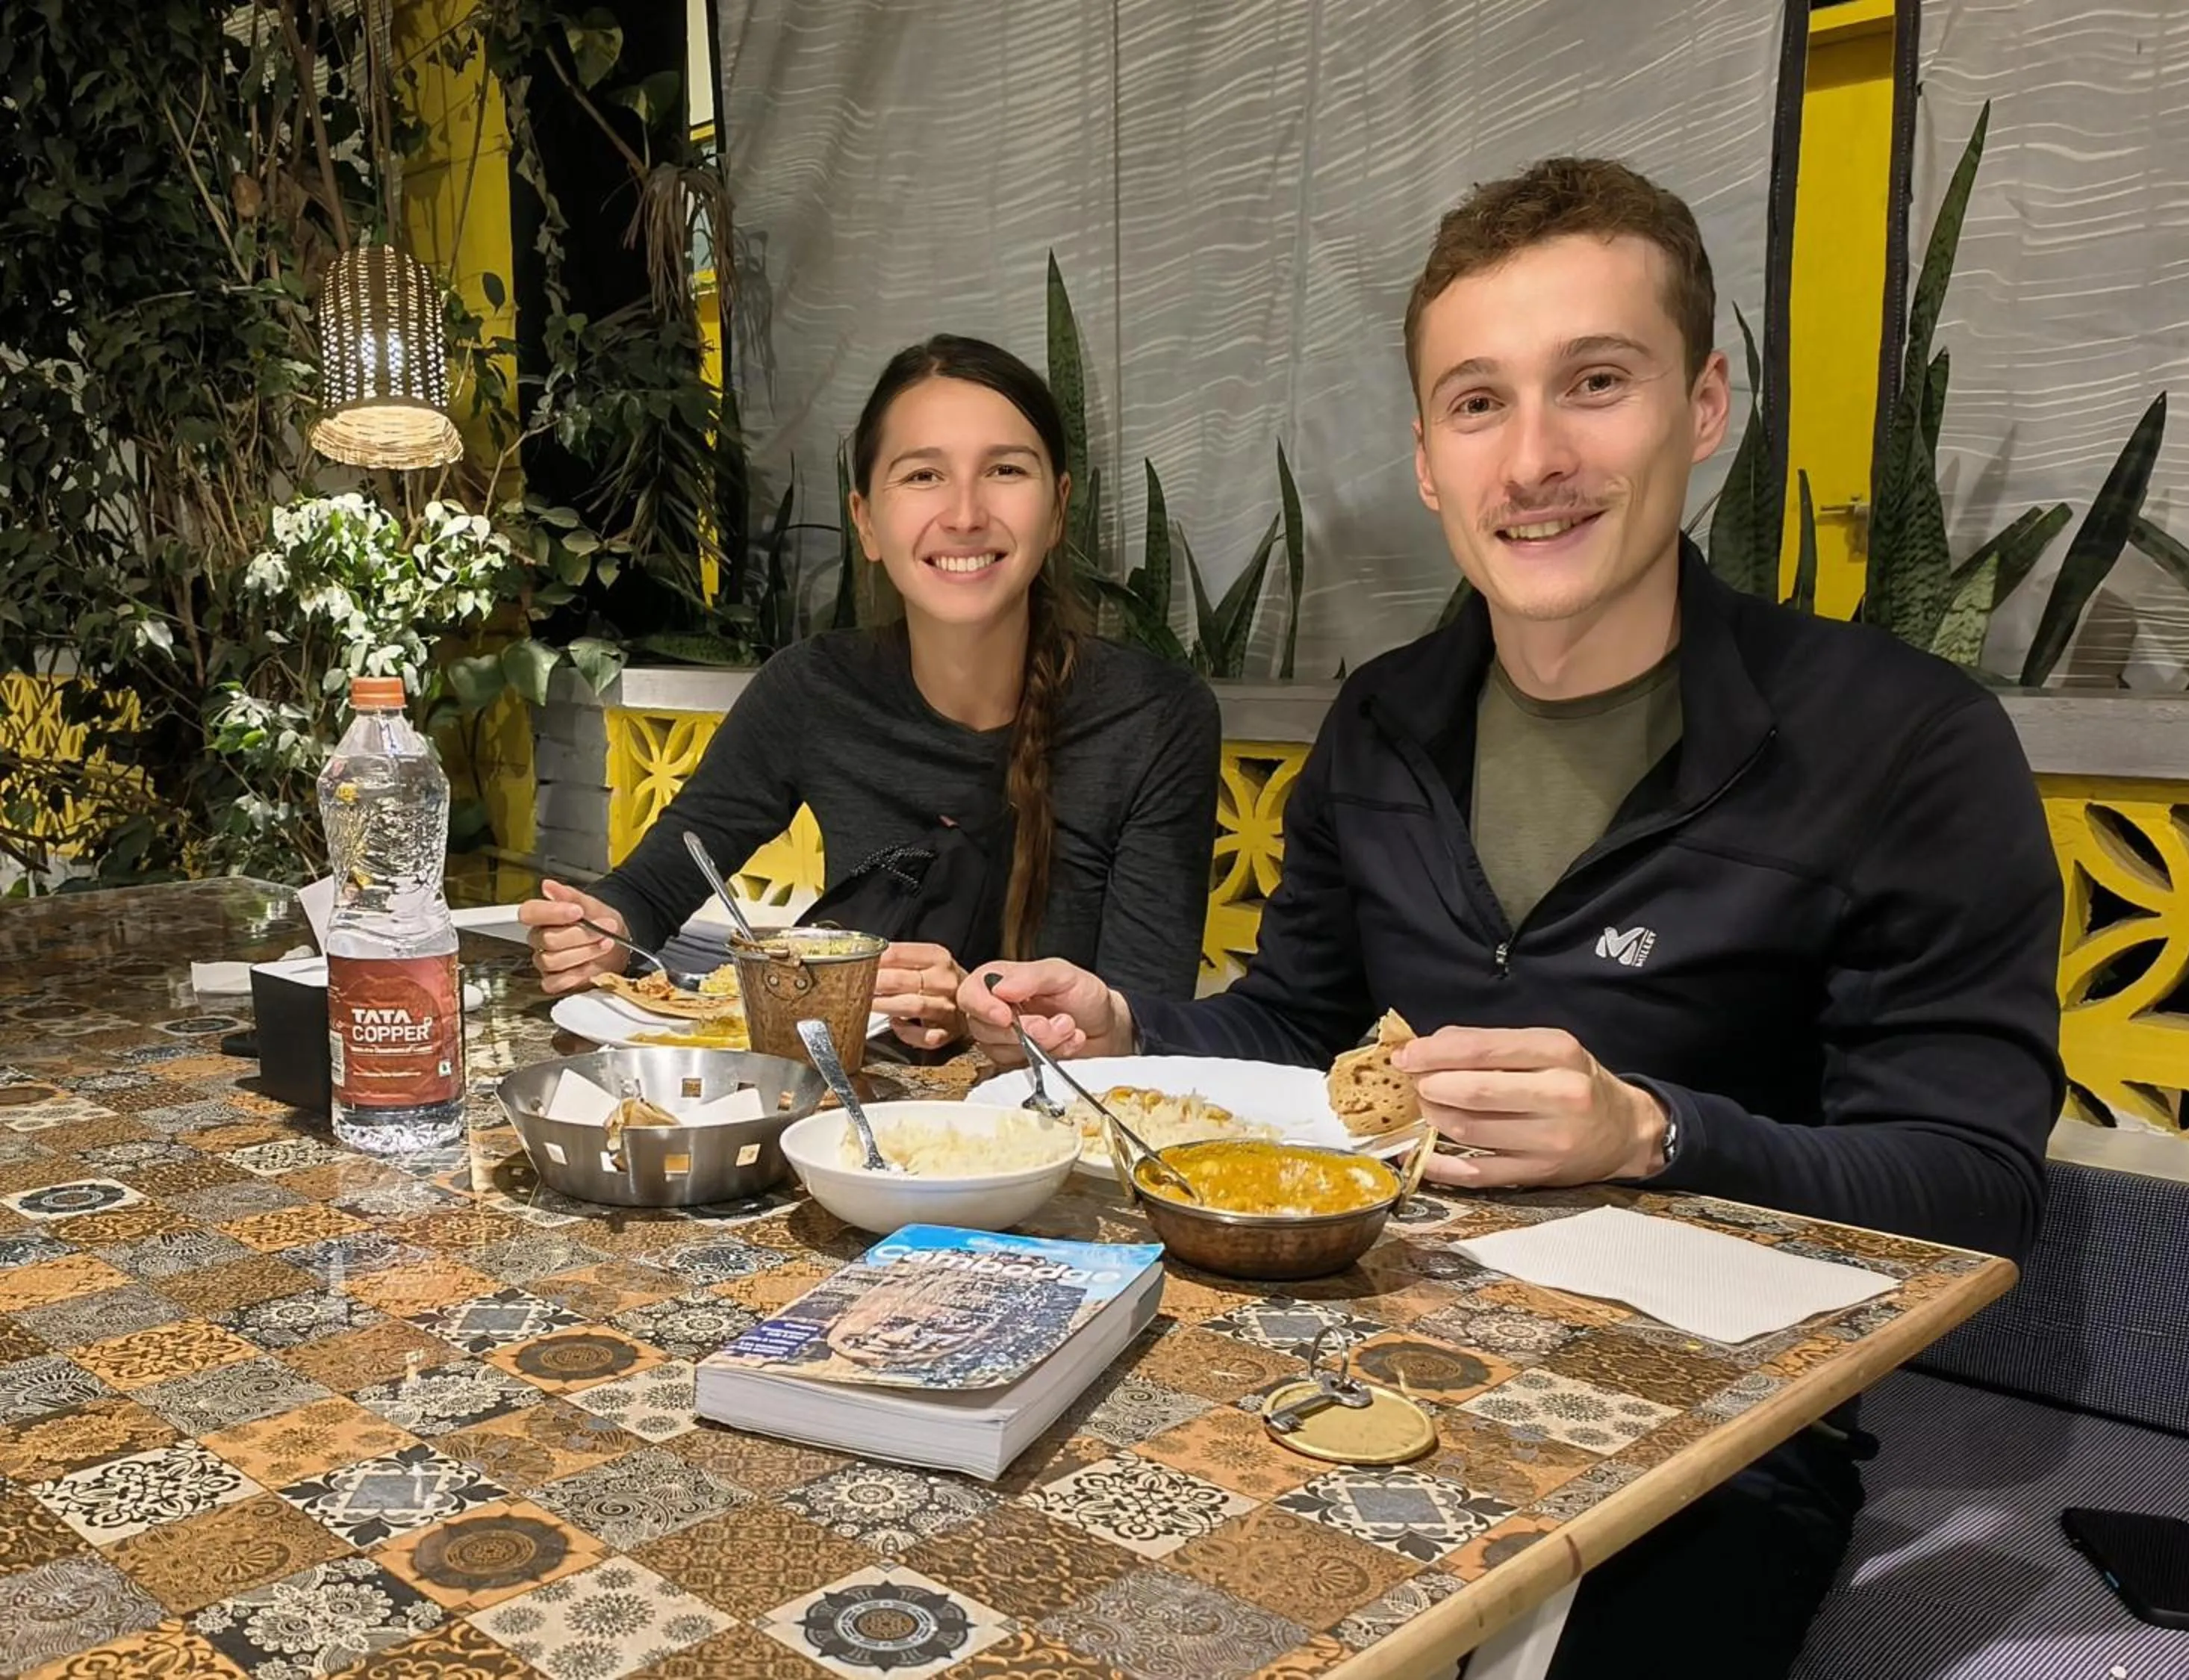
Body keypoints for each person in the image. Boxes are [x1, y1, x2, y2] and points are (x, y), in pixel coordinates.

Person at [959, 158, 2062, 1677]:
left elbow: (1981, 1195)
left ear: (1706, 405)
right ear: (1428, 457)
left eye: (1595, 381)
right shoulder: (1386, 718)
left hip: (1703, 1440)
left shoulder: (1902, 743)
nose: (1534, 455)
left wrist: (1659, 1134)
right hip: (1348, 1349)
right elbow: (1299, 1025)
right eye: (1480, 402)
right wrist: (1133, 1025)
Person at [523, 335, 1222, 1050]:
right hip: (840, 1106)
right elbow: (649, 892)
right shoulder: (813, 690)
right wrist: (601, 932)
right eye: (923, 476)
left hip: (1057, 1130)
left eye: (1006, 470)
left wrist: (978, 1012)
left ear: (1058, 510)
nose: (964, 513)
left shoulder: (1156, 718)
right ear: (866, 522)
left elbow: (1146, 1024)